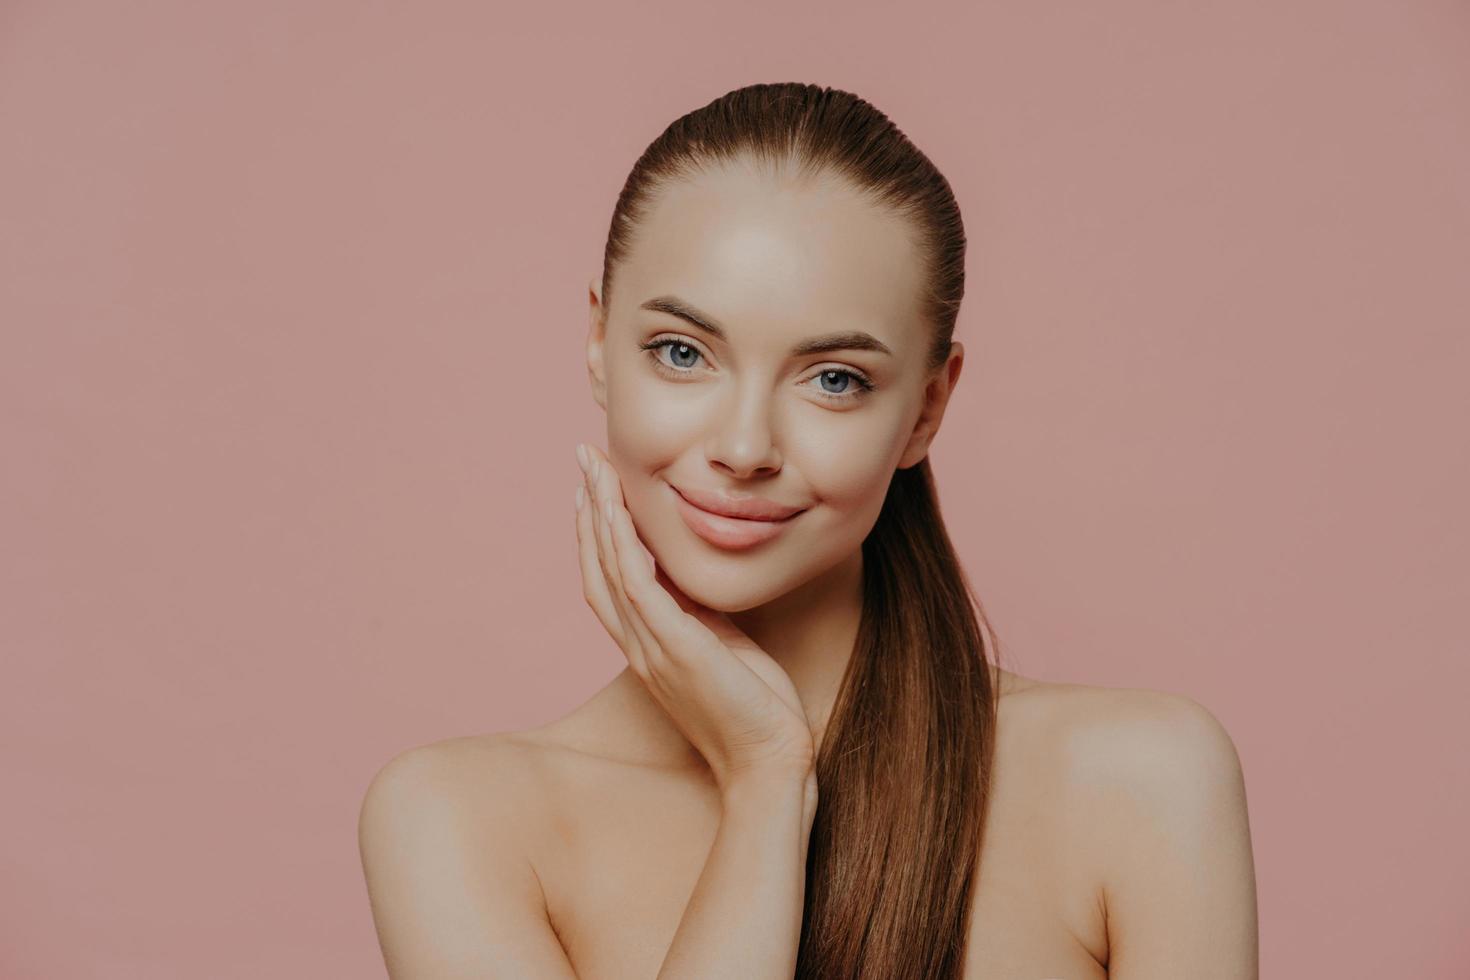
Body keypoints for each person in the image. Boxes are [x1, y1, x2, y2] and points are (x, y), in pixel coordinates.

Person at [357, 82, 1259, 979]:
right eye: (682, 353)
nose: (745, 447)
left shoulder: (1140, 784)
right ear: (598, 343)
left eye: (834, 378)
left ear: (926, 409)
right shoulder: (460, 822)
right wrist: (764, 783)